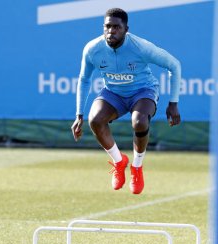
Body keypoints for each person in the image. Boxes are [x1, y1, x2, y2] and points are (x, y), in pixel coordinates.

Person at [71, 8, 181, 195]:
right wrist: (79, 114)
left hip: (143, 91)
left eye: (116, 27)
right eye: (107, 26)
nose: (111, 31)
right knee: (95, 120)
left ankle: (136, 168)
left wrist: (173, 103)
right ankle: (119, 161)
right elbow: (84, 80)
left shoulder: (140, 47)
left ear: (126, 29)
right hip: (113, 93)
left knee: (139, 122)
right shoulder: (92, 49)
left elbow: (174, 65)